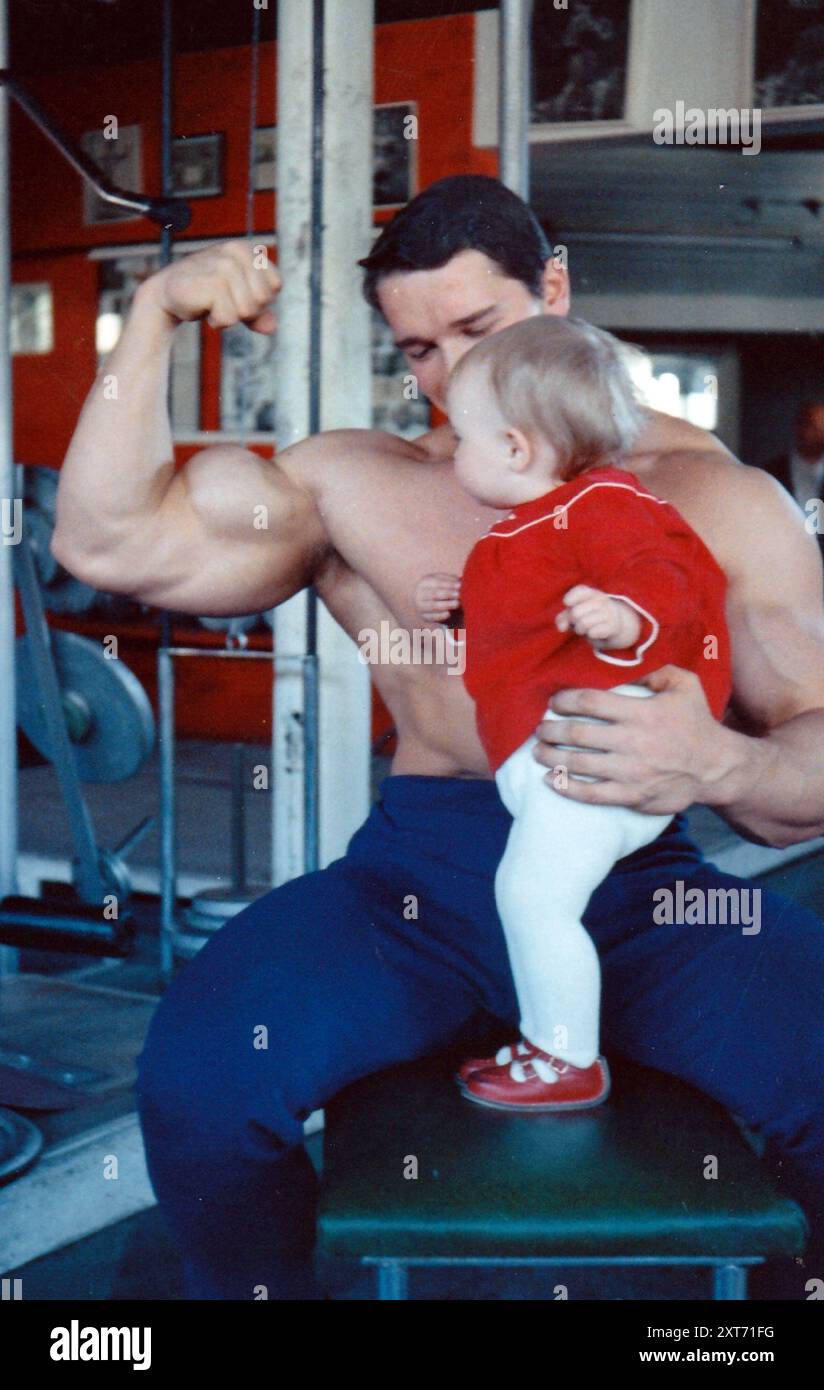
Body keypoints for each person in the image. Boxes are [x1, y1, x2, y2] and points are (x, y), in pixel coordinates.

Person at [51, 175, 824, 1300]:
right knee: (200, 1079)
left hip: (638, 891)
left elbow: (801, 761)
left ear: (553, 286)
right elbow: (107, 540)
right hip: (416, 884)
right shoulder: (353, 480)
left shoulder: (712, 495)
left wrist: (722, 762)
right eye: (417, 348)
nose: (453, 375)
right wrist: (159, 313)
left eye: (479, 327)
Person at [415, 316, 732, 1111]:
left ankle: (566, 1057)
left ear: (516, 449)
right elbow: (524, 621)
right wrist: (464, 609)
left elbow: (661, 574)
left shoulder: (601, 502)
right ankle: (551, 1042)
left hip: (597, 748)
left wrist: (627, 615)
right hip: (559, 756)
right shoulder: (528, 528)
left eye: (463, 438)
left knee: (532, 897)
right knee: (532, 893)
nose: (454, 454)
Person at [764, 402, 824, 559]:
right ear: (798, 428)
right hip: (784, 561)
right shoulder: (772, 473)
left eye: (823, 427)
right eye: (813, 426)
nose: (820, 433)